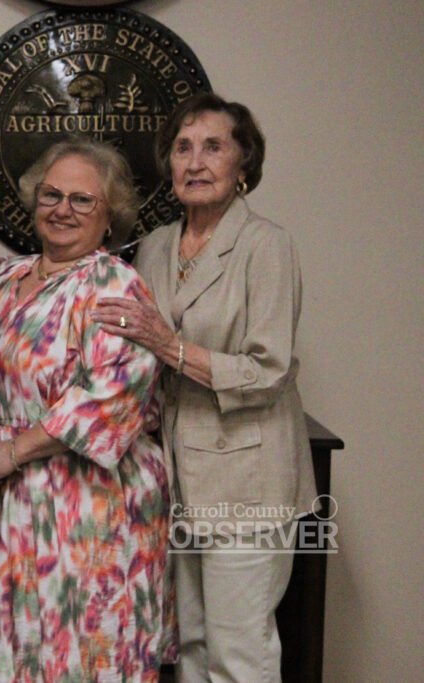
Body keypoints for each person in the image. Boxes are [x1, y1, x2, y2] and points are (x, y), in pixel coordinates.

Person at [93, 93, 317, 683]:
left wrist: (168, 345)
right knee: (189, 643)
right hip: (178, 474)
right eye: (183, 148)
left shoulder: (266, 244)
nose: (195, 161)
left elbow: (267, 370)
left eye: (213, 147)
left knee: (237, 652)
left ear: (244, 165)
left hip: (247, 480)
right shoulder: (159, 243)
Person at [0, 139, 170, 683]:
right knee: (7, 657)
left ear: (109, 216)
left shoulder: (114, 283)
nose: (62, 209)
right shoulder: (2, 278)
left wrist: (13, 452)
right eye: (51, 194)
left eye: (82, 200)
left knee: (75, 657)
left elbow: (112, 392)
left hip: (79, 508)